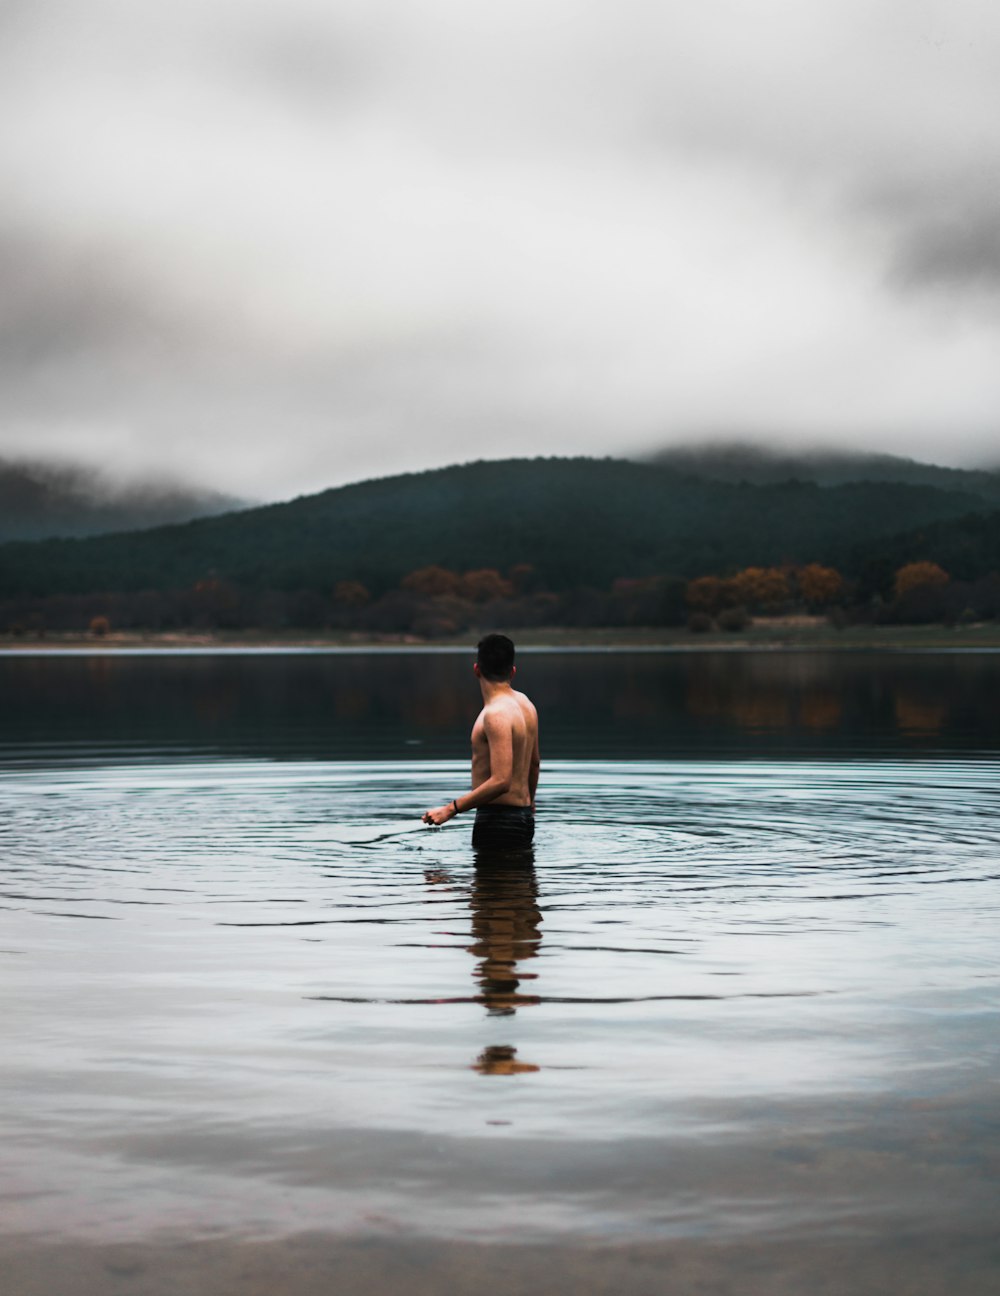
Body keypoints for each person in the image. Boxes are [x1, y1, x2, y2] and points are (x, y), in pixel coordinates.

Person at [422, 633, 539, 850]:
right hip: (522, 818)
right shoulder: (526, 705)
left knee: (492, 885)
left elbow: (502, 781)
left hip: (498, 823)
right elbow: (534, 763)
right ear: (512, 671)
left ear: (477, 670)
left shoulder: (495, 714)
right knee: (521, 883)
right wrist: (529, 801)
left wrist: (450, 809)